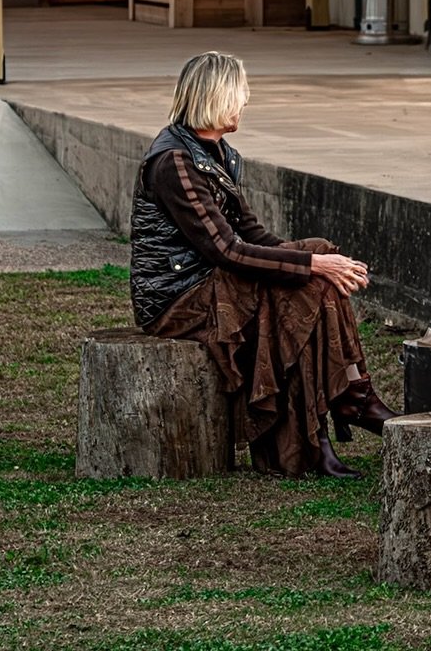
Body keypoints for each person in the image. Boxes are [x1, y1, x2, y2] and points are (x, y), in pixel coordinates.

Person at [129, 51, 394, 479]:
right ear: (214, 96)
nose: (245, 102)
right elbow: (226, 251)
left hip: (215, 281)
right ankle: (347, 405)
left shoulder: (217, 153)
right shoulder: (174, 162)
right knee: (307, 281)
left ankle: (340, 410)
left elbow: (254, 236)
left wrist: (314, 260)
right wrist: (310, 267)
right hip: (178, 299)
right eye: (239, 94)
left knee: (317, 259)